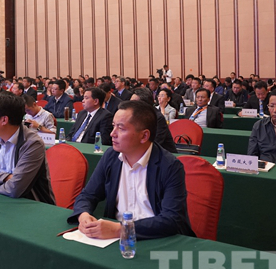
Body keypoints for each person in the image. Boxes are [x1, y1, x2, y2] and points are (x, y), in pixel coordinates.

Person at [67, 100, 195, 240]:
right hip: (115, 240)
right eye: (113, 126)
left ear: (144, 136)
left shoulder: (169, 166)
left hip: (154, 238)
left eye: (121, 128)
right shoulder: (111, 156)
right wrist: (83, 215)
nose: (112, 134)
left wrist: (121, 229)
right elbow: (87, 195)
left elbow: (172, 219)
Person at [0, 92, 55, 204]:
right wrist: (7, 177)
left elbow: (14, 189)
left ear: (4, 120)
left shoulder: (32, 144)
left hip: (32, 205)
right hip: (2, 201)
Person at [131, 88, 177, 153]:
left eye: (133, 103)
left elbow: (156, 143)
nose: (130, 106)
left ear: (143, 105)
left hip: (163, 154)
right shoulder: (135, 116)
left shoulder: (158, 118)